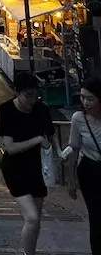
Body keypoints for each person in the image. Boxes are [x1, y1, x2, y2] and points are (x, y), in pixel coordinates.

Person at [0, 72, 58, 255]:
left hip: (37, 168)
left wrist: (59, 152)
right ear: (17, 92)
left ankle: (29, 251)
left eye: (35, 95)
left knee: (35, 219)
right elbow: (10, 147)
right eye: (28, 96)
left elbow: (52, 136)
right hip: (15, 169)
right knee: (31, 217)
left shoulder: (42, 109)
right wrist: (37, 140)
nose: (32, 100)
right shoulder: (6, 110)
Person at [67, 75, 101, 254]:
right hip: (89, 170)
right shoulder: (78, 119)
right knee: (96, 217)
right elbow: (74, 150)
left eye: (90, 98)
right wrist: (71, 181)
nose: (85, 102)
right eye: (82, 97)